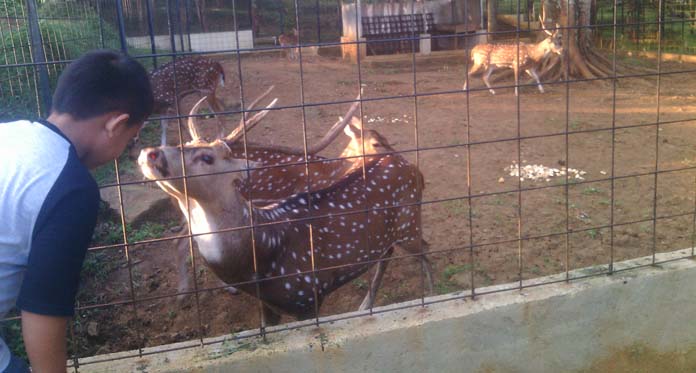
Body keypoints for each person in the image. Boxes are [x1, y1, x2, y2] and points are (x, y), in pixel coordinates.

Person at [0, 49, 154, 372]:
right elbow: (43, 313)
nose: (124, 151)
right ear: (116, 123)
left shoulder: (10, 134)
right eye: (131, 139)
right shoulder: (70, 187)